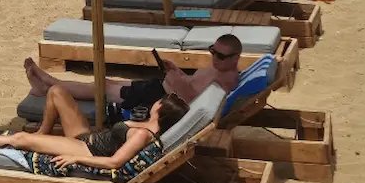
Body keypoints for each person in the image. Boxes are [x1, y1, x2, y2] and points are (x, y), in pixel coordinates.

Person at [0, 89, 186, 178]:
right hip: (87, 137)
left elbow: (115, 161)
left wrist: (76, 159)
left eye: (160, 100)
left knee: (19, 139)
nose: (157, 100)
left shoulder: (144, 136)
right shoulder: (146, 126)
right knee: (57, 92)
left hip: (86, 149)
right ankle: (42, 134)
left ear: (161, 109)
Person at [22, 33, 244, 112]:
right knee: (108, 82)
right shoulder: (215, 68)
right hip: (161, 88)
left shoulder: (226, 82)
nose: (215, 58)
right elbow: (192, 83)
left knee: (105, 89)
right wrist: (177, 72)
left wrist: (177, 81)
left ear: (235, 58)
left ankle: (49, 84)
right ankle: (48, 84)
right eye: (213, 51)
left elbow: (194, 103)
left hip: (159, 100)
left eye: (221, 56)